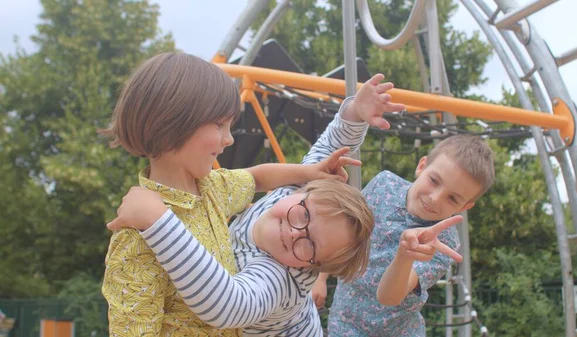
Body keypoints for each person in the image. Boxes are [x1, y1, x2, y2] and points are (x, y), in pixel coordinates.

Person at [106, 74, 408, 336]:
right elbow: (329, 145)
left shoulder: (280, 276)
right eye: (302, 215)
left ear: (313, 267)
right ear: (304, 192)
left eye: (309, 246)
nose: (294, 232)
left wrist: (158, 220)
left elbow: (227, 306)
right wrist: (356, 112)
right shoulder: (295, 191)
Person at [323, 134, 495, 336]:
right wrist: (320, 277)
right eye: (434, 180)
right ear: (422, 165)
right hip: (344, 320)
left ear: (465, 206)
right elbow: (345, 233)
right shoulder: (384, 185)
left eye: (453, 198)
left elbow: (389, 297)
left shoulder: (443, 240)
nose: (435, 198)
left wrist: (405, 255)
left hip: (398, 331)